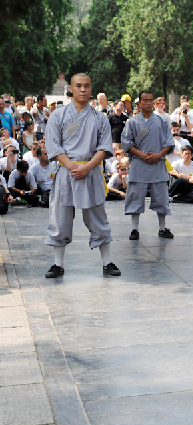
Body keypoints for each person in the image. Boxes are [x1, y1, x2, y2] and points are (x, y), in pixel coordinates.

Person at [43, 73, 120, 278]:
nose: (83, 89)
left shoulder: (99, 118)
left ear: (91, 88)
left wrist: (86, 168)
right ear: (71, 88)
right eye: (79, 86)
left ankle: (108, 262)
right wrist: (70, 166)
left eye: (87, 86)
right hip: (66, 173)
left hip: (91, 170)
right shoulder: (57, 116)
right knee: (60, 218)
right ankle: (57, 264)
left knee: (98, 217)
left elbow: (104, 148)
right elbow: (53, 145)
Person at [121, 90, 175, 241]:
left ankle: (162, 228)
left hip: (157, 164)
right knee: (135, 197)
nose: (149, 103)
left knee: (161, 197)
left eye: (151, 100)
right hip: (139, 164)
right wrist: (142, 155)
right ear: (139, 103)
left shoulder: (161, 121)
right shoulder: (132, 122)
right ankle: (134, 229)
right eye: (145, 100)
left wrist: (158, 155)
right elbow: (127, 143)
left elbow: (169, 142)